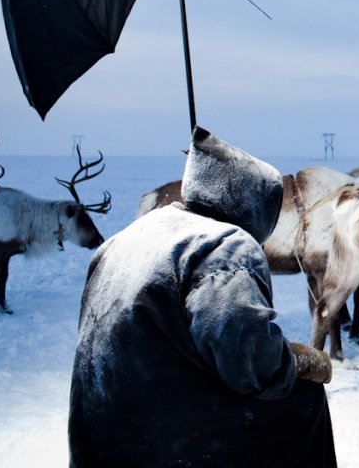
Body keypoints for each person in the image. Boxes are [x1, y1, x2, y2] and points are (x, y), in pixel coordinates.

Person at [68, 127, 336, 467]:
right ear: (252, 200)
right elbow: (251, 364)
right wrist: (298, 361)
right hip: (165, 438)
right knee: (303, 397)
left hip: (99, 434)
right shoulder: (225, 246)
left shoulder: (126, 238)